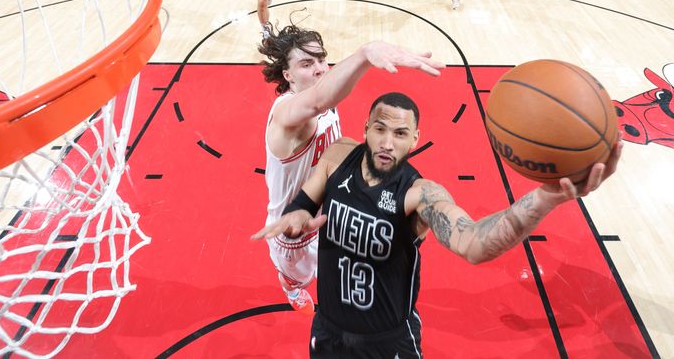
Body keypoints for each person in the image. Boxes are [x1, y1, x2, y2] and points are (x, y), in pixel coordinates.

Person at [254, 92, 623, 358]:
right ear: (365, 128)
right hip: (328, 331)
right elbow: (304, 201)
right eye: (379, 129)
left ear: (414, 140)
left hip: (388, 344)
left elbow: (476, 243)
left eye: (400, 135)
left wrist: (546, 199)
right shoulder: (337, 158)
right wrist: (298, 214)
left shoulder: (419, 194)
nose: (386, 143)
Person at [257, 25, 444, 316]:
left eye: (322, 59)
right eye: (307, 64)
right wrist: (365, 55)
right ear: (288, 75)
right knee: (301, 278)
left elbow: (330, 116)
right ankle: (290, 285)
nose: (320, 69)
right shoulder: (287, 116)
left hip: (333, 216)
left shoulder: (325, 101)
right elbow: (319, 99)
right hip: (295, 231)